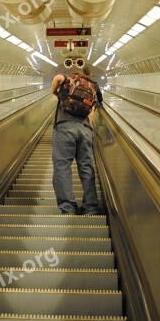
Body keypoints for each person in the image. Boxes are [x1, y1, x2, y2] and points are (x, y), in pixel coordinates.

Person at [50, 66, 103, 215]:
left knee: (62, 166)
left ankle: (68, 207)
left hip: (64, 126)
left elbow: (57, 78)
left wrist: (55, 93)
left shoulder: (67, 80)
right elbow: (97, 104)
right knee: (86, 167)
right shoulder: (93, 86)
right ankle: (91, 207)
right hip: (85, 129)